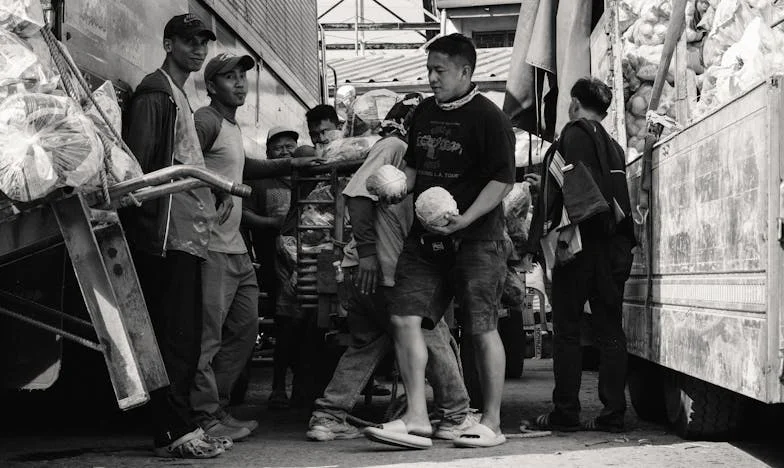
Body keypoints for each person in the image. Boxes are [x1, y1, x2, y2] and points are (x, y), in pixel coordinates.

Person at [370, 34, 515, 449]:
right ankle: (416, 417)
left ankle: (491, 423)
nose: (432, 78)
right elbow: (415, 170)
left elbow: (503, 181)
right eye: (429, 69)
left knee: (481, 327)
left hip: (478, 239)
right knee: (403, 316)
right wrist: (397, 190)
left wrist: (465, 219)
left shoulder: (490, 118)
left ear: (465, 72)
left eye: (440, 70)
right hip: (426, 239)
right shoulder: (424, 114)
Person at [306, 95, 474, 444]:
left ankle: (328, 416)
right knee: (433, 334)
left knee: (368, 343)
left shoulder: (411, 156)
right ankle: (456, 416)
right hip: (383, 271)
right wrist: (368, 254)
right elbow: (356, 195)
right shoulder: (395, 146)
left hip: (371, 272)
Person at [123, 14, 227, 459]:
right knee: (175, 338)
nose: (198, 50)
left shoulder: (179, 94)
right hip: (165, 237)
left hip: (188, 234)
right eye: (188, 41)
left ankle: (181, 425)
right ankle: (173, 431)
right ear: (168, 43)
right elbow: (142, 171)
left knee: (185, 338)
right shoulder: (156, 93)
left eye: (203, 42)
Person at [522, 77, 635, 433]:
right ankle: (614, 412)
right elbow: (606, 193)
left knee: (568, 332)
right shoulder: (615, 147)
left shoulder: (570, 136)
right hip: (610, 250)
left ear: (573, 103)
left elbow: (564, 196)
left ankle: (565, 412)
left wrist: (533, 241)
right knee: (611, 332)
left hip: (578, 249)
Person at [242, 126, 301, 409]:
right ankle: (278, 387)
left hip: (307, 263)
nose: (285, 151)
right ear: (268, 153)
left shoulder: (305, 179)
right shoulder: (259, 181)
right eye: (278, 147)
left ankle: (302, 386)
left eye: (291, 146)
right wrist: (270, 225)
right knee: (285, 325)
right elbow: (244, 214)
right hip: (274, 267)